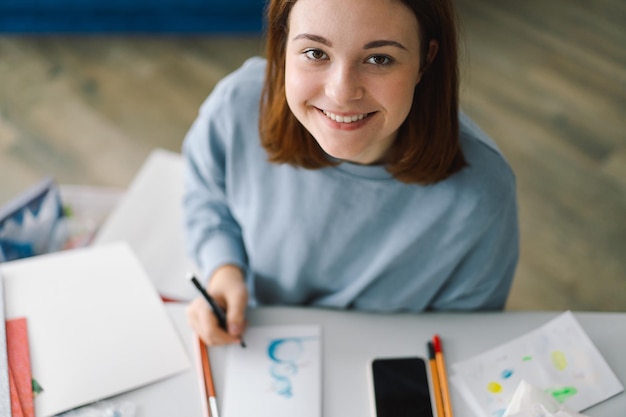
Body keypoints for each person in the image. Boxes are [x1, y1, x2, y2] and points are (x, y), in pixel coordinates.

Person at [183, 0, 519, 346]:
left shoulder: (483, 191)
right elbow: (207, 196)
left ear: (425, 61)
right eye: (315, 53)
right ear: (283, 44)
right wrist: (223, 269)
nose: (341, 93)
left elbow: (467, 334)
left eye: (379, 59)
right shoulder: (236, 105)